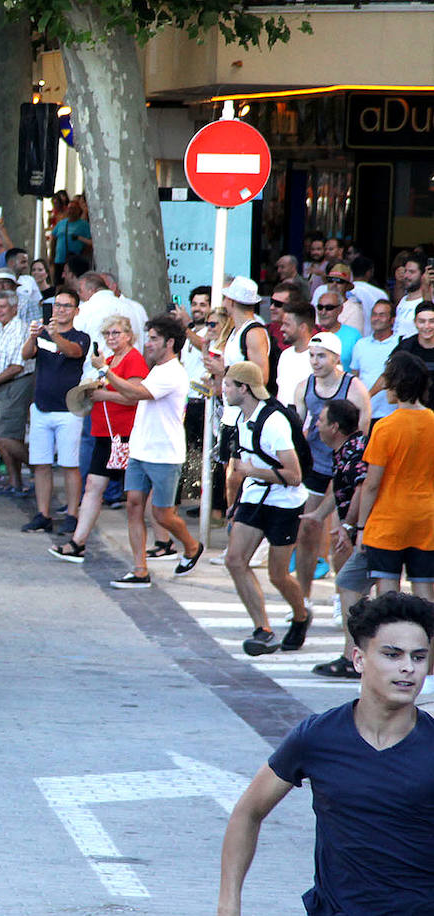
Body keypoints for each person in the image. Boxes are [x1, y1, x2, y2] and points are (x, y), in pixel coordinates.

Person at [219, 592, 434, 916]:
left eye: (418, 658)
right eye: (393, 655)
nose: (408, 668)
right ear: (359, 659)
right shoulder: (318, 736)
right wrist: (228, 904)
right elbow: (247, 813)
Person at [96, 315, 204, 587]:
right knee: (133, 506)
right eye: (149, 338)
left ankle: (192, 547)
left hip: (164, 454)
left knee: (162, 514)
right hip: (140, 450)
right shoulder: (157, 368)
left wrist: (105, 372)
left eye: (154, 338)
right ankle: (140, 569)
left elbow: (135, 393)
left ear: (170, 342)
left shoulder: (172, 372)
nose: (148, 344)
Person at [221, 361, 310, 656]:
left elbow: (294, 475)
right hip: (255, 497)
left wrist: (251, 472)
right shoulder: (240, 417)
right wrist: (234, 504)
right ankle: (264, 630)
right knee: (235, 560)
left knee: (278, 574)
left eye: (229, 385)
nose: (224, 389)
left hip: (284, 503)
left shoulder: (273, 423)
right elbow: (243, 466)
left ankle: (301, 615)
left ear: (244, 388)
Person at [51, 316, 146, 563]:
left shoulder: (134, 359)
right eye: (108, 334)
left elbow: (135, 396)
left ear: (128, 335)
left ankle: (164, 540)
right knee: (93, 486)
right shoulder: (111, 360)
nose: (111, 338)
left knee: (139, 494)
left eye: (116, 333)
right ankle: (78, 542)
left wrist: (103, 395)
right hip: (106, 433)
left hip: (125, 433)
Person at [292, 331, 371, 612]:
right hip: (316, 465)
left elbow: (363, 436)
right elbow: (297, 431)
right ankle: (302, 598)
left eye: (321, 356)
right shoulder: (304, 387)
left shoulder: (354, 388)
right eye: (312, 356)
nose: (315, 361)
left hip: (344, 468)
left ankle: (343, 594)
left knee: (340, 536)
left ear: (336, 358)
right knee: (307, 530)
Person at [352, 350, 434, 601]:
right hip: (426, 519)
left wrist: (361, 527)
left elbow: (372, 484)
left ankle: (392, 641)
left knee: (387, 595)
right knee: (425, 592)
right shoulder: (432, 420)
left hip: (388, 521)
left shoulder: (385, 427)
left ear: (397, 384)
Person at [308, 399, 370, 679]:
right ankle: (356, 656)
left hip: (370, 530)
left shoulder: (356, 450)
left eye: (320, 420)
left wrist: (349, 526)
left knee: (350, 585)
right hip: (363, 529)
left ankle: (354, 658)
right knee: (353, 586)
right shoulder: (344, 450)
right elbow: (339, 489)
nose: (315, 425)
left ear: (335, 426)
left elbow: (361, 488)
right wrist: (318, 516)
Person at [19, 288, 88, 536]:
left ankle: (72, 514)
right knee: (41, 465)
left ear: (76, 311)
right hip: (41, 407)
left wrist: (54, 335)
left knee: (69, 465)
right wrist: (33, 337)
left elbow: (74, 352)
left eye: (66, 306)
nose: (60, 310)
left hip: (69, 410)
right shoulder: (44, 333)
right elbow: (27, 354)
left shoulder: (81, 337)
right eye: (57, 305)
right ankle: (43, 514)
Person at [0, 290, 35, 495]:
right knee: (8, 435)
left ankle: (37, 468)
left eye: (3, 307)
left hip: (15, 384)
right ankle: (15, 482)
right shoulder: (3, 328)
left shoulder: (18, 329)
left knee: (4, 438)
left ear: (14, 308)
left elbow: (16, 367)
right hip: (4, 386)